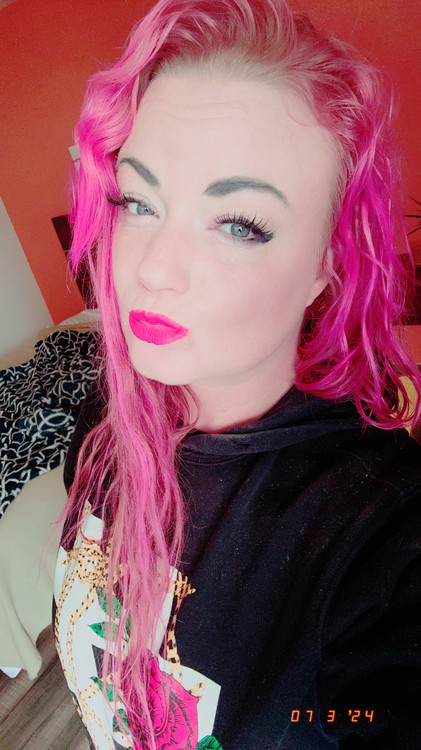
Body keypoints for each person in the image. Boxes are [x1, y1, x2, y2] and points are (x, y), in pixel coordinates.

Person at [55, 0, 421, 748]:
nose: (154, 269)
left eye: (238, 224)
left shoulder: (379, 535)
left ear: (325, 264)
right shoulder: (104, 421)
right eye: (138, 201)